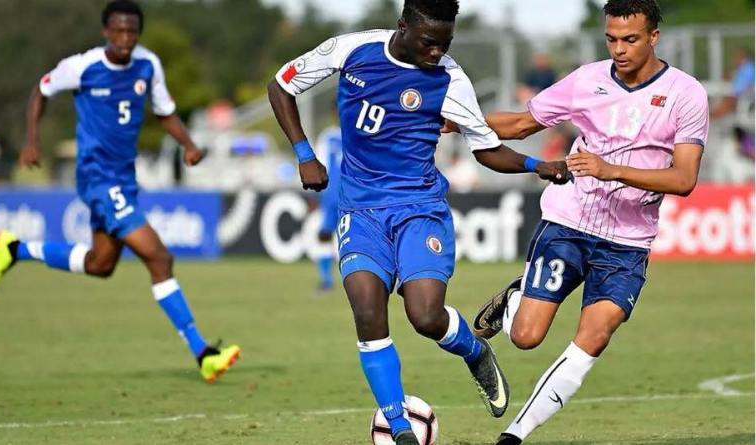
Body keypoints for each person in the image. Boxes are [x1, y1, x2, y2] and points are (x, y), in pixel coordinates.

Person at [267, 1, 569, 443]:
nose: (436, 52)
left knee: (425, 316)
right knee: (368, 310)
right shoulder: (352, 50)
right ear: (403, 26)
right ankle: (402, 430)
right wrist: (303, 153)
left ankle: (474, 351)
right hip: (361, 210)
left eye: (445, 43)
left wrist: (534, 165)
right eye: (429, 42)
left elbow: (483, 148)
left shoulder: (451, 78)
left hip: (418, 209)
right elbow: (281, 86)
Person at [468, 1, 709, 443]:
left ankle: (514, 435)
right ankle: (516, 297)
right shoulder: (587, 80)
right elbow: (523, 123)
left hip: (628, 242)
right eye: (611, 39)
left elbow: (684, 178)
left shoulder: (686, 93)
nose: (619, 48)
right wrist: (458, 120)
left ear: (654, 37)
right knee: (525, 337)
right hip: (569, 221)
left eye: (630, 39)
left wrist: (611, 169)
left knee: (595, 337)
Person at [0, 0, 240, 384]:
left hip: (124, 178)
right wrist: (32, 140)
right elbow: (40, 91)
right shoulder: (82, 67)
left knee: (100, 265)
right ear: (106, 31)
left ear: (138, 33)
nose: (124, 39)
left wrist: (188, 143)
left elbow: (164, 111)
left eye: (131, 32)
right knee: (159, 258)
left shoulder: (147, 65)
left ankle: (14, 248)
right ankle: (202, 352)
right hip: (97, 178)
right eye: (118, 31)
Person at [313, 124, 343, 293]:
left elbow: (317, 163)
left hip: (331, 191)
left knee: (325, 234)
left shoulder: (328, 136)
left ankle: (326, 280)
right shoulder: (360, 129)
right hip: (351, 192)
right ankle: (327, 280)